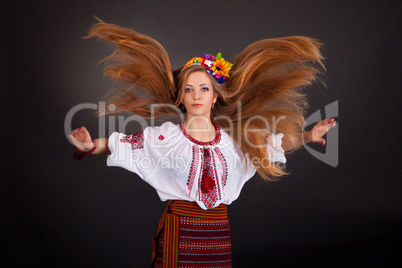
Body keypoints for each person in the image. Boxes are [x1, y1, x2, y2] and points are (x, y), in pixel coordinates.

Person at [69, 18, 337, 267]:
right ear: (181, 98)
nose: (196, 95)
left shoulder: (234, 139)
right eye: (189, 89)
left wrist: (306, 136)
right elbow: (123, 144)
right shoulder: (165, 136)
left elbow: (271, 146)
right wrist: (90, 145)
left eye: (204, 88)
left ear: (215, 96)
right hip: (179, 231)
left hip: (217, 235)